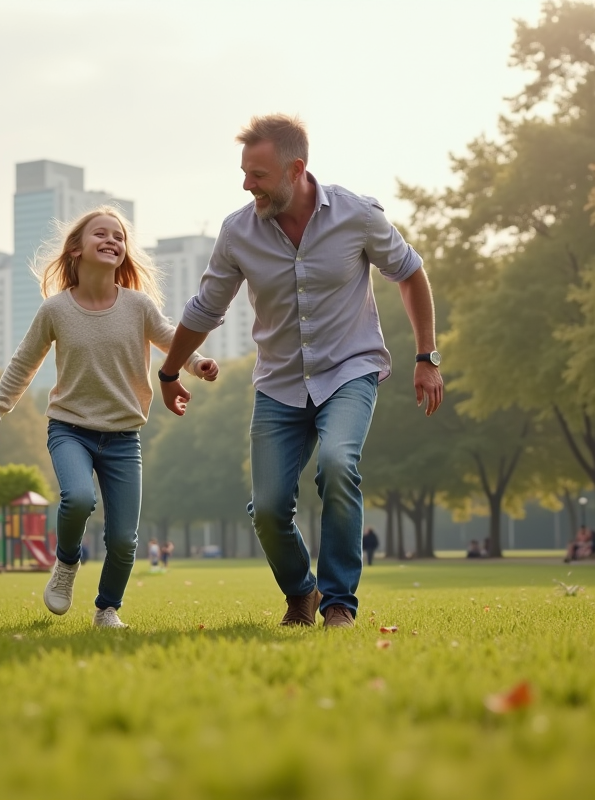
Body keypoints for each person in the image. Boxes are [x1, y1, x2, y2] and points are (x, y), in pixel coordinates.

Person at [157, 115, 443, 629]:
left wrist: (426, 357)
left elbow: (409, 272)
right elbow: (205, 308)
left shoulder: (357, 214)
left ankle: (338, 604)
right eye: (244, 173)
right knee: (267, 510)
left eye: (258, 175)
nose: (247, 185)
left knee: (337, 464)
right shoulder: (238, 231)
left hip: (349, 370)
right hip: (280, 382)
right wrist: (169, 371)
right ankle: (301, 591)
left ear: (296, 169)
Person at [0, 206, 219, 629]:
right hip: (70, 428)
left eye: (119, 237)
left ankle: (107, 609)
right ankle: (67, 565)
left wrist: (196, 365)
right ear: (76, 249)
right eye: (100, 234)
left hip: (124, 438)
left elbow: (171, 339)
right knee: (80, 499)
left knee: (124, 540)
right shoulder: (56, 310)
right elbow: (23, 363)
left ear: (124, 252)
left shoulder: (138, 306)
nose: (112, 241)